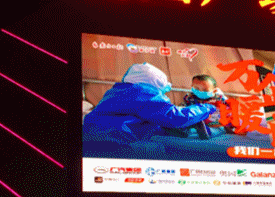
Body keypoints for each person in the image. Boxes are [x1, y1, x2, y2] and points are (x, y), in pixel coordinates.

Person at [83, 63, 216, 148]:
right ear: (154, 83)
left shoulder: (115, 92)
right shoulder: (142, 93)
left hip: (90, 134)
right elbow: (175, 116)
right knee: (157, 149)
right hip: (113, 139)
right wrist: (208, 107)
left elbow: (141, 120)